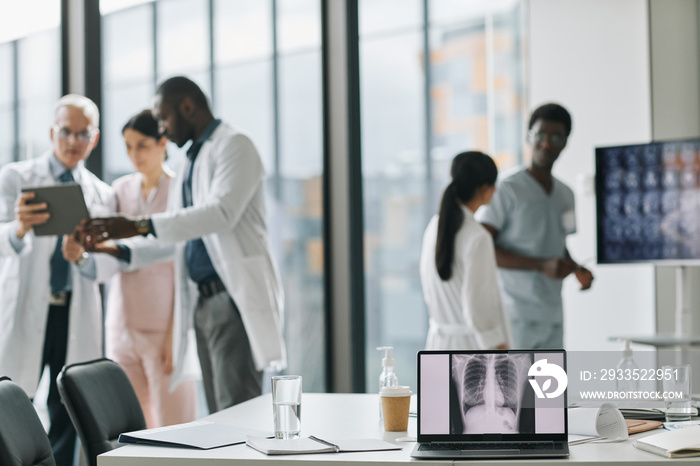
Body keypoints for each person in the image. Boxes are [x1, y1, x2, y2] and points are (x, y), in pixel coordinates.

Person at [82, 76, 286, 414]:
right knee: (221, 415)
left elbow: (221, 213)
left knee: (239, 411)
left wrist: (138, 224)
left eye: (164, 118)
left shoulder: (236, 146)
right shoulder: (190, 161)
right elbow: (177, 238)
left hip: (231, 298)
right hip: (203, 304)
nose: (162, 128)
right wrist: (118, 249)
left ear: (187, 107)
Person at [0, 94, 115, 466]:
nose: (73, 141)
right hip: (26, 310)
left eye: (83, 134)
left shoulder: (103, 194)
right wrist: (18, 228)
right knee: (13, 405)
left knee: (67, 411)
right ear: (52, 132)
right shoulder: (16, 178)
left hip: (73, 313)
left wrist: (79, 258)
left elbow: (110, 266)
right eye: (66, 131)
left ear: (94, 138)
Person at [93, 110, 197, 427]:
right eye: (127, 146)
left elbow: (183, 260)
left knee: (175, 431)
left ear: (163, 143)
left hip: (164, 327)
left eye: (142, 145)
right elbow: (103, 252)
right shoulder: (120, 190)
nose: (133, 155)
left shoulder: (181, 189)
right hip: (121, 327)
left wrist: (175, 335)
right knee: (132, 430)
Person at [475, 103, 594, 349]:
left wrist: (575, 268)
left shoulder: (565, 195)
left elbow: (558, 245)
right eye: (540, 135)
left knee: (550, 388)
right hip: (514, 316)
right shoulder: (507, 189)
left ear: (565, 142)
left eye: (556, 137)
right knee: (514, 388)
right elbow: (482, 249)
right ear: (529, 137)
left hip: (552, 316)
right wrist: (540, 265)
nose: (547, 143)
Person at [420, 151, 510, 350]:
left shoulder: (434, 227)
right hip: (470, 351)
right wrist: (499, 347)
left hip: (437, 343)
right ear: (486, 189)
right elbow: (479, 308)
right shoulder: (478, 238)